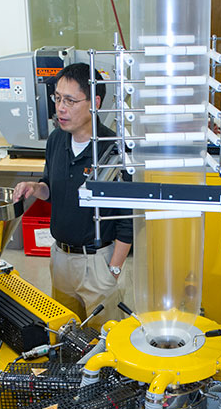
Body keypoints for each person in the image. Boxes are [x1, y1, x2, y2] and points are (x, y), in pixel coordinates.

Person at [12, 63, 132, 327]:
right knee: (65, 335)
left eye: (69, 100)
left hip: (98, 262)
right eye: (57, 99)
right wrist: (36, 189)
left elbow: (128, 220)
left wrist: (112, 269)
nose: (60, 108)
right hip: (60, 258)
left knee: (104, 340)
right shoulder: (57, 140)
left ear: (95, 103)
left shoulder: (114, 150)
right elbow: (51, 189)